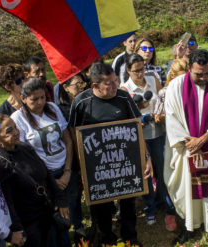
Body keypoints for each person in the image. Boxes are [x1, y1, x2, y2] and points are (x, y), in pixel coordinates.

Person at [68, 63, 152, 246]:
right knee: (101, 205)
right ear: (95, 86)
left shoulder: (123, 97)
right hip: (97, 165)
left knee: (128, 200)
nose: (115, 86)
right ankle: (107, 238)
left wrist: (146, 157)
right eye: (109, 84)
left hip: (125, 162)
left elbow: (137, 127)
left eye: (116, 80)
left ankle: (130, 236)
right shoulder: (81, 102)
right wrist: (81, 164)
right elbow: (74, 134)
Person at [164, 49, 208, 246]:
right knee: (188, 188)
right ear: (189, 68)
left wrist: (203, 139)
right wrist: (189, 143)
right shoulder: (175, 87)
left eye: (207, 74)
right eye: (198, 74)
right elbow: (171, 117)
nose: (204, 78)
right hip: (186, 148)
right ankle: (190, 226)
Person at [10, 78, 73, 247]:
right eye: (34, 99)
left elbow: (67, 140)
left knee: (67, 215)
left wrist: (67, 171)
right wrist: (53, 182)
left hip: (64, 170)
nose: (40, 102)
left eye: (43, 97)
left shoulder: (52, 108)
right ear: (23, 99)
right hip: (44, 178)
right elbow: (27, 155)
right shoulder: (17, 119)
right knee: (51, 219)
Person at [122, 54, 177, 231]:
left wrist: (160, 115)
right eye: (136, 70)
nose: (140, 73)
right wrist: (138, 114)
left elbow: (163, 101)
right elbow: (125, 117)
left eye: (142, 68)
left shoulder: (153, 80)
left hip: (159, 133)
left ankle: (165, 203)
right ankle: (149, 207)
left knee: (163, 170)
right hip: (140, 138)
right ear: (128, 70)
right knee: (146, 174)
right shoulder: (124, 89)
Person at [0, 114, 69, 247]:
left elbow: (46, 173)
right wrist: (17, 228)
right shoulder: (2, 165)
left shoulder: (24, 147)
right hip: (30, 224)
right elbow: (8, 202)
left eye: (15, 127)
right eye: (9, 131)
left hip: (48, 213)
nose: (16, 132)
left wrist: (60, 198)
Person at [57, 73, 87, 244]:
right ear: (66, 87)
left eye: (83, 83)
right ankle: (77, 226)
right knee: (74, 195)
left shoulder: (88, 101)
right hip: (74, 159)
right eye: (77, 84)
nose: (82, 86)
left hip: (93, 154)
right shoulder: (62, 109)